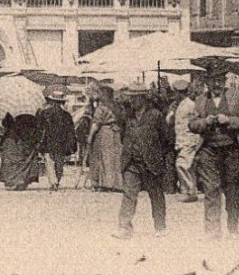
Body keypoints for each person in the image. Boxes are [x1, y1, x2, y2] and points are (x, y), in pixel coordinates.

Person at [188, 67, 239, 237]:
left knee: (233, 190)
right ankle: (212, 231)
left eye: (219, 80)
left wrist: (229, 120)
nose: (216, 84)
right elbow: (192, 124)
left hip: (231, 149)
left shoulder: (236, 96)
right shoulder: (200, 100)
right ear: (207, 82)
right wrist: (205, 122)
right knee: (211, 189)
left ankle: (233, 228)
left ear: (224, 81)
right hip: (208, 150)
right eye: (212, 80)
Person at [116, 90, 173, 237]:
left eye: (135, 98)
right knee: (129, 193)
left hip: (151, 162)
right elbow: (123, 135)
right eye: (131, 98)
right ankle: (124, 227)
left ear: (143, 98)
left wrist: (157, 155)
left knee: (156, 194)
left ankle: (160, 226)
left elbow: (166, 139)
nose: (132, 101)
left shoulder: (155, 115)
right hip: (131, 162)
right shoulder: (127, 116)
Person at [171, 76, 204, 202]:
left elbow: (198, 121)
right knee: (188, 166)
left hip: (190, 139)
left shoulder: (191, 104)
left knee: (181, 164)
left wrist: (197, 139)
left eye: (175, 92)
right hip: (182, 139)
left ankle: (190, 192)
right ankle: (188, 191)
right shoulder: (179, 105)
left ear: (180, 92)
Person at [86, 84, 124, 191]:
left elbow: (96, 123)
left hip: (105, 132)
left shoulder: (102, 108)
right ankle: (117, 183)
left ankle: (106, 183)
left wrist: (90, 136)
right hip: (116, 131)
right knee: (116, 158)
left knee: (104, 157)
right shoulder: (117, 106)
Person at [38, 88, 77, 190]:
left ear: (51, 101)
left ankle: (53, 182)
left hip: (48, 141)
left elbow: (40, 128)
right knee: (59, 162)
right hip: (61, 142)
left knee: (49, 161)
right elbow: (70, 131)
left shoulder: (44, 113)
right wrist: (71, 143)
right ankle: (57, 180)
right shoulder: (66, 115)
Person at [0, 111, 43, 190]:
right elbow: (38, 126)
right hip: (28, 138)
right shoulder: (33, 113)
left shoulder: (11, 111)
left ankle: (11, 181)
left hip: (12, 138)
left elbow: (5, 124)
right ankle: (23, 180)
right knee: (26, 159)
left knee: (11, 160)